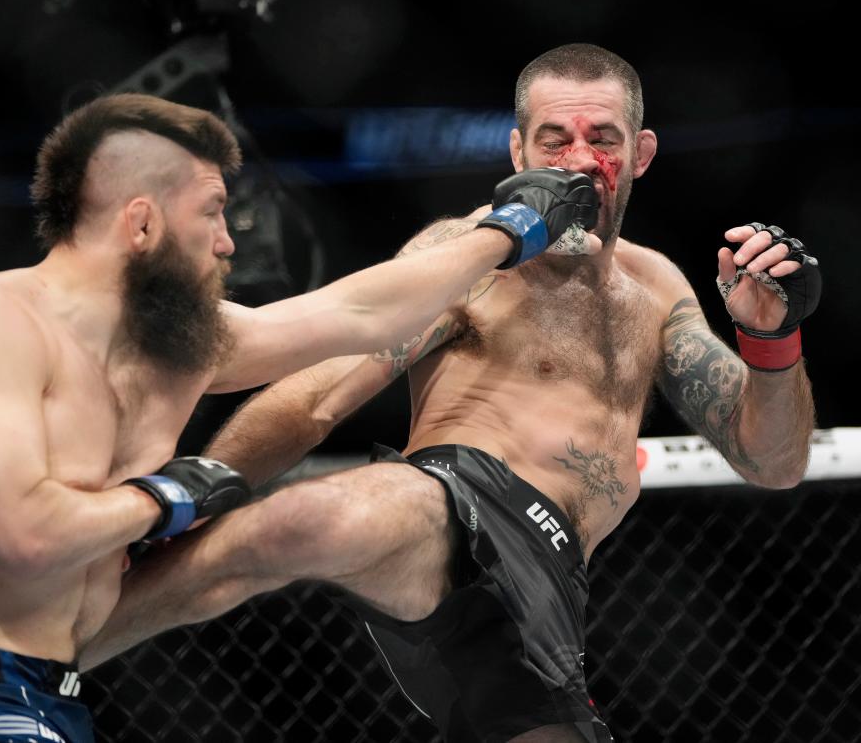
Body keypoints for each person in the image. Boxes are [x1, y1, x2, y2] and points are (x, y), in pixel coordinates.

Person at [80, 46, 821, 743]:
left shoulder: (656, 289)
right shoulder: (468, 254)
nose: (576, 160)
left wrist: (772, 343)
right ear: (517, 153)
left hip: (549, 588)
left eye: (602, 137)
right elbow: (319, 394)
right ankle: (37, 657)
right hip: (454, 503)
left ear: (640, 155)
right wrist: (202, 495)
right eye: (553, 139)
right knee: (308, 517)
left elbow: (773, 460)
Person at [0, 92, 572, 743]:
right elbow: (20, 540)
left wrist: (503, 232)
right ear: (142, 223)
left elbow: (361, 314)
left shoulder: (175, 349)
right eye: (213, 212)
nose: (227, 243)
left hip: (45, 689)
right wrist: (165, 499)